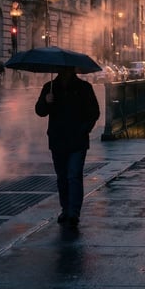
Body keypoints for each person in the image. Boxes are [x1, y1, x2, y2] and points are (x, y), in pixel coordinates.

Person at [34, 65, 101, 228]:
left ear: (72, 70)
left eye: (67, 70)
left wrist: (84, 129)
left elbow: (94, 113)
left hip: (77, 140)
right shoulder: (50, 88)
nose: (64, 73)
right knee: (63, 177)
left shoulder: (84, 88)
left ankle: (73, 212)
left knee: (74, 175)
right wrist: (46, 101)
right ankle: (65, 209)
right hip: (58, 139)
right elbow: (40, 111)